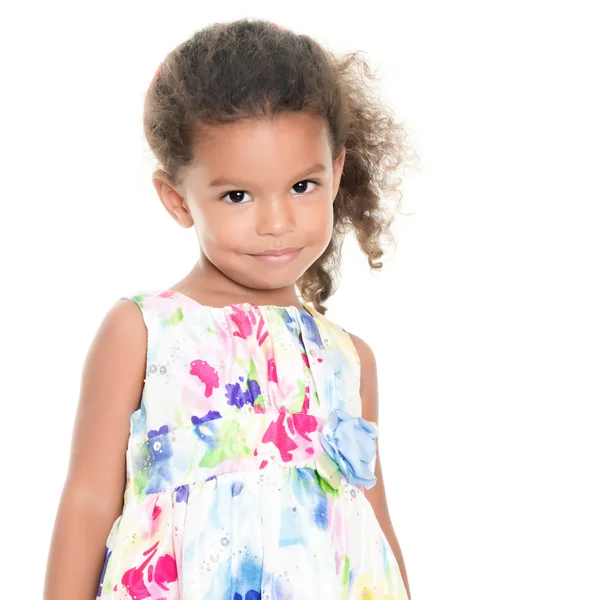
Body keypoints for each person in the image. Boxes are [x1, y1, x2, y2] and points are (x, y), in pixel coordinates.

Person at [44, 17, 413, 600]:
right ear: (177, 198)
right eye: (237, 195)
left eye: (303, 186)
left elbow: (374, 527)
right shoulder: (145, 331)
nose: (277, 222)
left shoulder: (350, 359)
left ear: (336, 171)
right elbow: (89, 499)